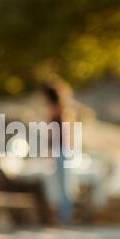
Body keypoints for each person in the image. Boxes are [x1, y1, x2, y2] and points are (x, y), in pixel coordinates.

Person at [41, 78, 77, 225]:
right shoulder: (60, 111)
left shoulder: (60, 112)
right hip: (61, 151)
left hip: (62, 151)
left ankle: (66, 217)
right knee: (61, 184)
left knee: (64, 185)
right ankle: (64, 215)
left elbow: (60, 134)